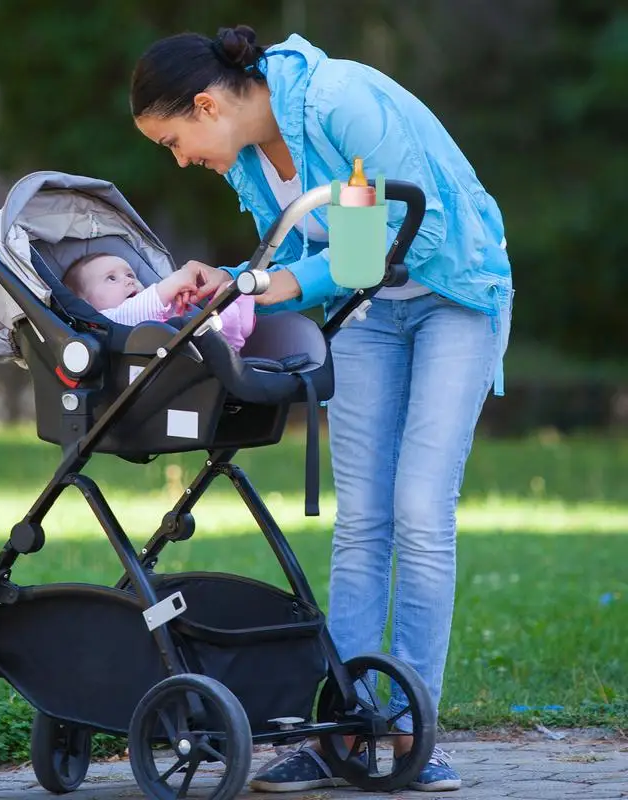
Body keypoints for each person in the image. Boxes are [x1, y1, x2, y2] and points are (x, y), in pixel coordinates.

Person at [130, 25, 513, 793]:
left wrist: (280, 285)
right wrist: (232, 275)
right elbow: (302, 262)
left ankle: (411, 731)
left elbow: (416, 228)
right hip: (372, 312)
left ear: (207, 105)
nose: (181, 159)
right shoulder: (247, 155)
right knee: (362, 518)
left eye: (174, 141)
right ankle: (344, 728)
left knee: (419, 510)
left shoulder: (340, 101)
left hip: (454, 299)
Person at [62, 253, 255, 351]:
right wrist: (177, 280)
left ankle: (235, 321)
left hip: (200, 351)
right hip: (174, 365)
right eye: (111, 278)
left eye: (130, 274)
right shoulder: (106, 321)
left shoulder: (149, 306)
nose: (129, 280)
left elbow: (158, 307)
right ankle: (231, 324)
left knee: (212, 311)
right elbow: (146, 304)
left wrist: (180, 297)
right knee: (210, 324)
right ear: (85, 303)